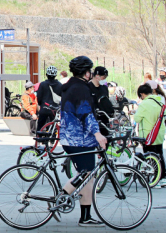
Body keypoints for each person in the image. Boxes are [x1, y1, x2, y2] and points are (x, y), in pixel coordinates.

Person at [58, 56, 107, 227]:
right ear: (86, 72)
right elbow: (85, 113)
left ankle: (86, 217)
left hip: (72, 137)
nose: (91, 73)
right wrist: (98, 134)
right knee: (86, 173)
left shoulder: (71, 86)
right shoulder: (80, 88)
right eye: (90, 70)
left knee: (88, 176)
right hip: (78, 138)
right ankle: (61, 195)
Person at [134, 84, 166, 188]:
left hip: (148, 134)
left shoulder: (144, 104)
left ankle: (155, 179)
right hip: (159, 133)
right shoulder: (159, 101)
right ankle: (163, 178)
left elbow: (137, 119)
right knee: (159, 155)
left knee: (150, 157)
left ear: (142, 94)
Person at [36, 65, 62, 132]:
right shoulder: (59, 85)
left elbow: (39, 96)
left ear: (46, 74)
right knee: (53, 126)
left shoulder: (43, 84)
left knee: (40, 125)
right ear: (55, 75)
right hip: (54, 109)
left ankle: (39, 138)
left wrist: (41, 104)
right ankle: (52, 138)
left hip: (44, 107)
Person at [89, 66, 114, 134]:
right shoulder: (88, 87)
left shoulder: (104, 88)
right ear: (97, 76)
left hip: (104, 119)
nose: (104, 80)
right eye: (103, 78)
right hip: (93, 119)